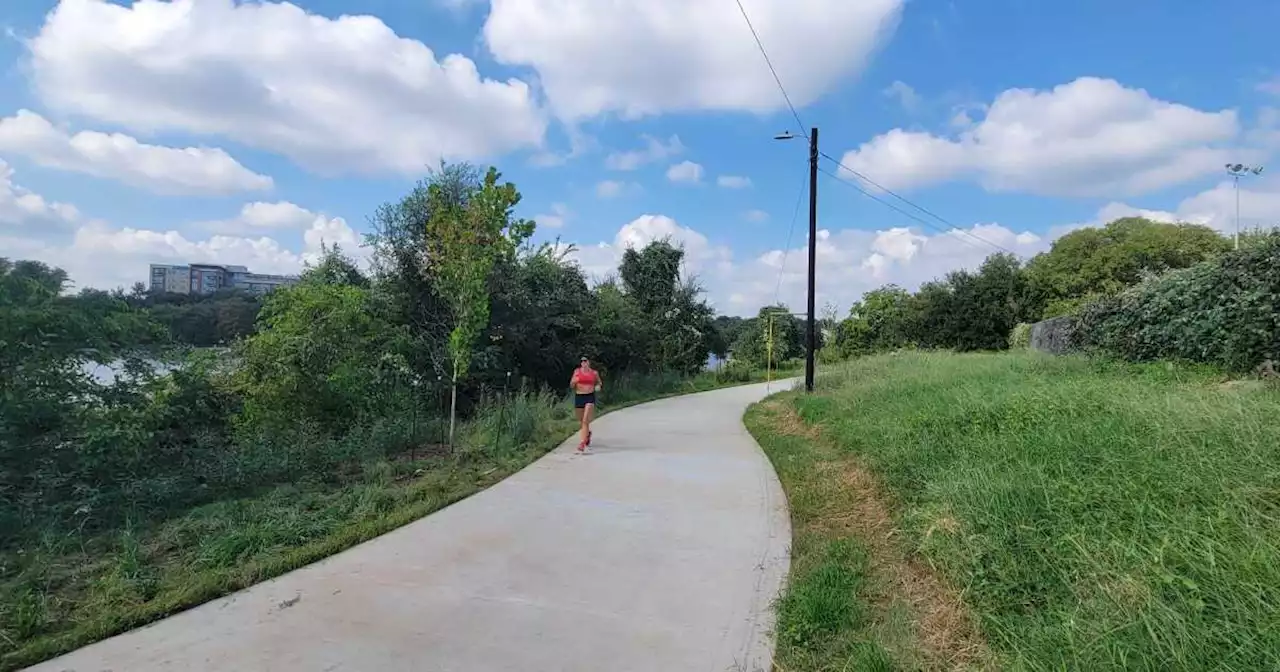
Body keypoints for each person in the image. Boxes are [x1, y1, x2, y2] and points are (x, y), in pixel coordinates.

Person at [570, 356, 602, 453]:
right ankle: (587, 434)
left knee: (585, 420)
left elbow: (599, 382)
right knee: (581, 420)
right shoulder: (577, 372)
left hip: (589, 397)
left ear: (589, 362)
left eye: (585, 361)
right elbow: (571, 385)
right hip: (579, 397)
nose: (583, 363)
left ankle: (582, 443)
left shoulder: (594, 373)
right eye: (582, 361)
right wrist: (574, 382)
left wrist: (598, 386)